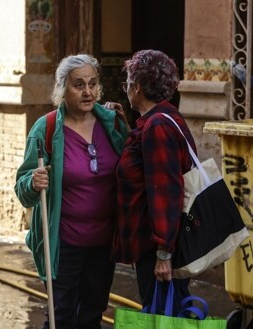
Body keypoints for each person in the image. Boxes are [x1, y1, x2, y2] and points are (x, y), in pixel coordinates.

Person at [14, 54, 128, 328]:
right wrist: (33, 181)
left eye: (92, 84)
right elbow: (22, 187)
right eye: (78, 85)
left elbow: (131, 168)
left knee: (92, 314)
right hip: (64, 242)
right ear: (62, 88)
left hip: (103, 243)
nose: (87, 91)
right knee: (61, 316)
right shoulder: (47, 128)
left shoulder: (111, 124)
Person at [111, 49, 196, 314]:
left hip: (157, 246)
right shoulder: (161, 118)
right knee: (168, 312)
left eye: (127, 83)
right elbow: (145, 165)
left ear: (136, 87)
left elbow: (165, 192)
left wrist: (163, 254)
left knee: (164, 314)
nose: (126, 88)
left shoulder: (158, 126)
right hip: (157, 243)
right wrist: (125, 125)